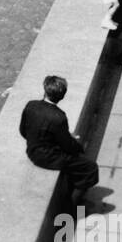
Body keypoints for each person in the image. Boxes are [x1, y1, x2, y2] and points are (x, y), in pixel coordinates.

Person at [19, 76, 100, 208]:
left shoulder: (31, 105)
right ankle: (72, 208)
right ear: (62, 96)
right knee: (90, 168)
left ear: (45, 90)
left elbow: (23, 131)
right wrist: (78, 146)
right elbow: (67, 145)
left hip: (32, 151)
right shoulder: (59, 117)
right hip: (50, 158)